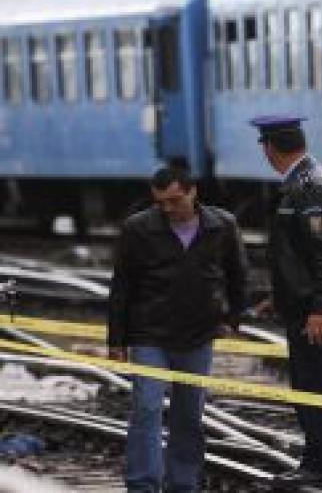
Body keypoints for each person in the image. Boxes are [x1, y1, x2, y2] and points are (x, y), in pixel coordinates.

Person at [107, 166, 248, 493]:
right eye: (160, 203)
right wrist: (117, 340)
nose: (168, 209)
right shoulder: (138, 228)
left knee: (189, 414)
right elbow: (122, 287)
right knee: (147, 408)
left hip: (198, 335)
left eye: (174, 200)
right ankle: (143, 484)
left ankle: (183, 484)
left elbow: (238, 275)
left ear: (192, 191)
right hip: (149, 334)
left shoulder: (222, 225)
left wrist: (232, 320)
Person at [249, 115, 322, 487]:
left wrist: (321, 308)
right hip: (307, 306)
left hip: (320, 311)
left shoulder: (308, 187)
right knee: (309, 385)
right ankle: (317, 460)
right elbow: (301, 255)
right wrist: (279, 297)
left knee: (317, 387)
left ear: (269, 148)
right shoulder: (305, 181)